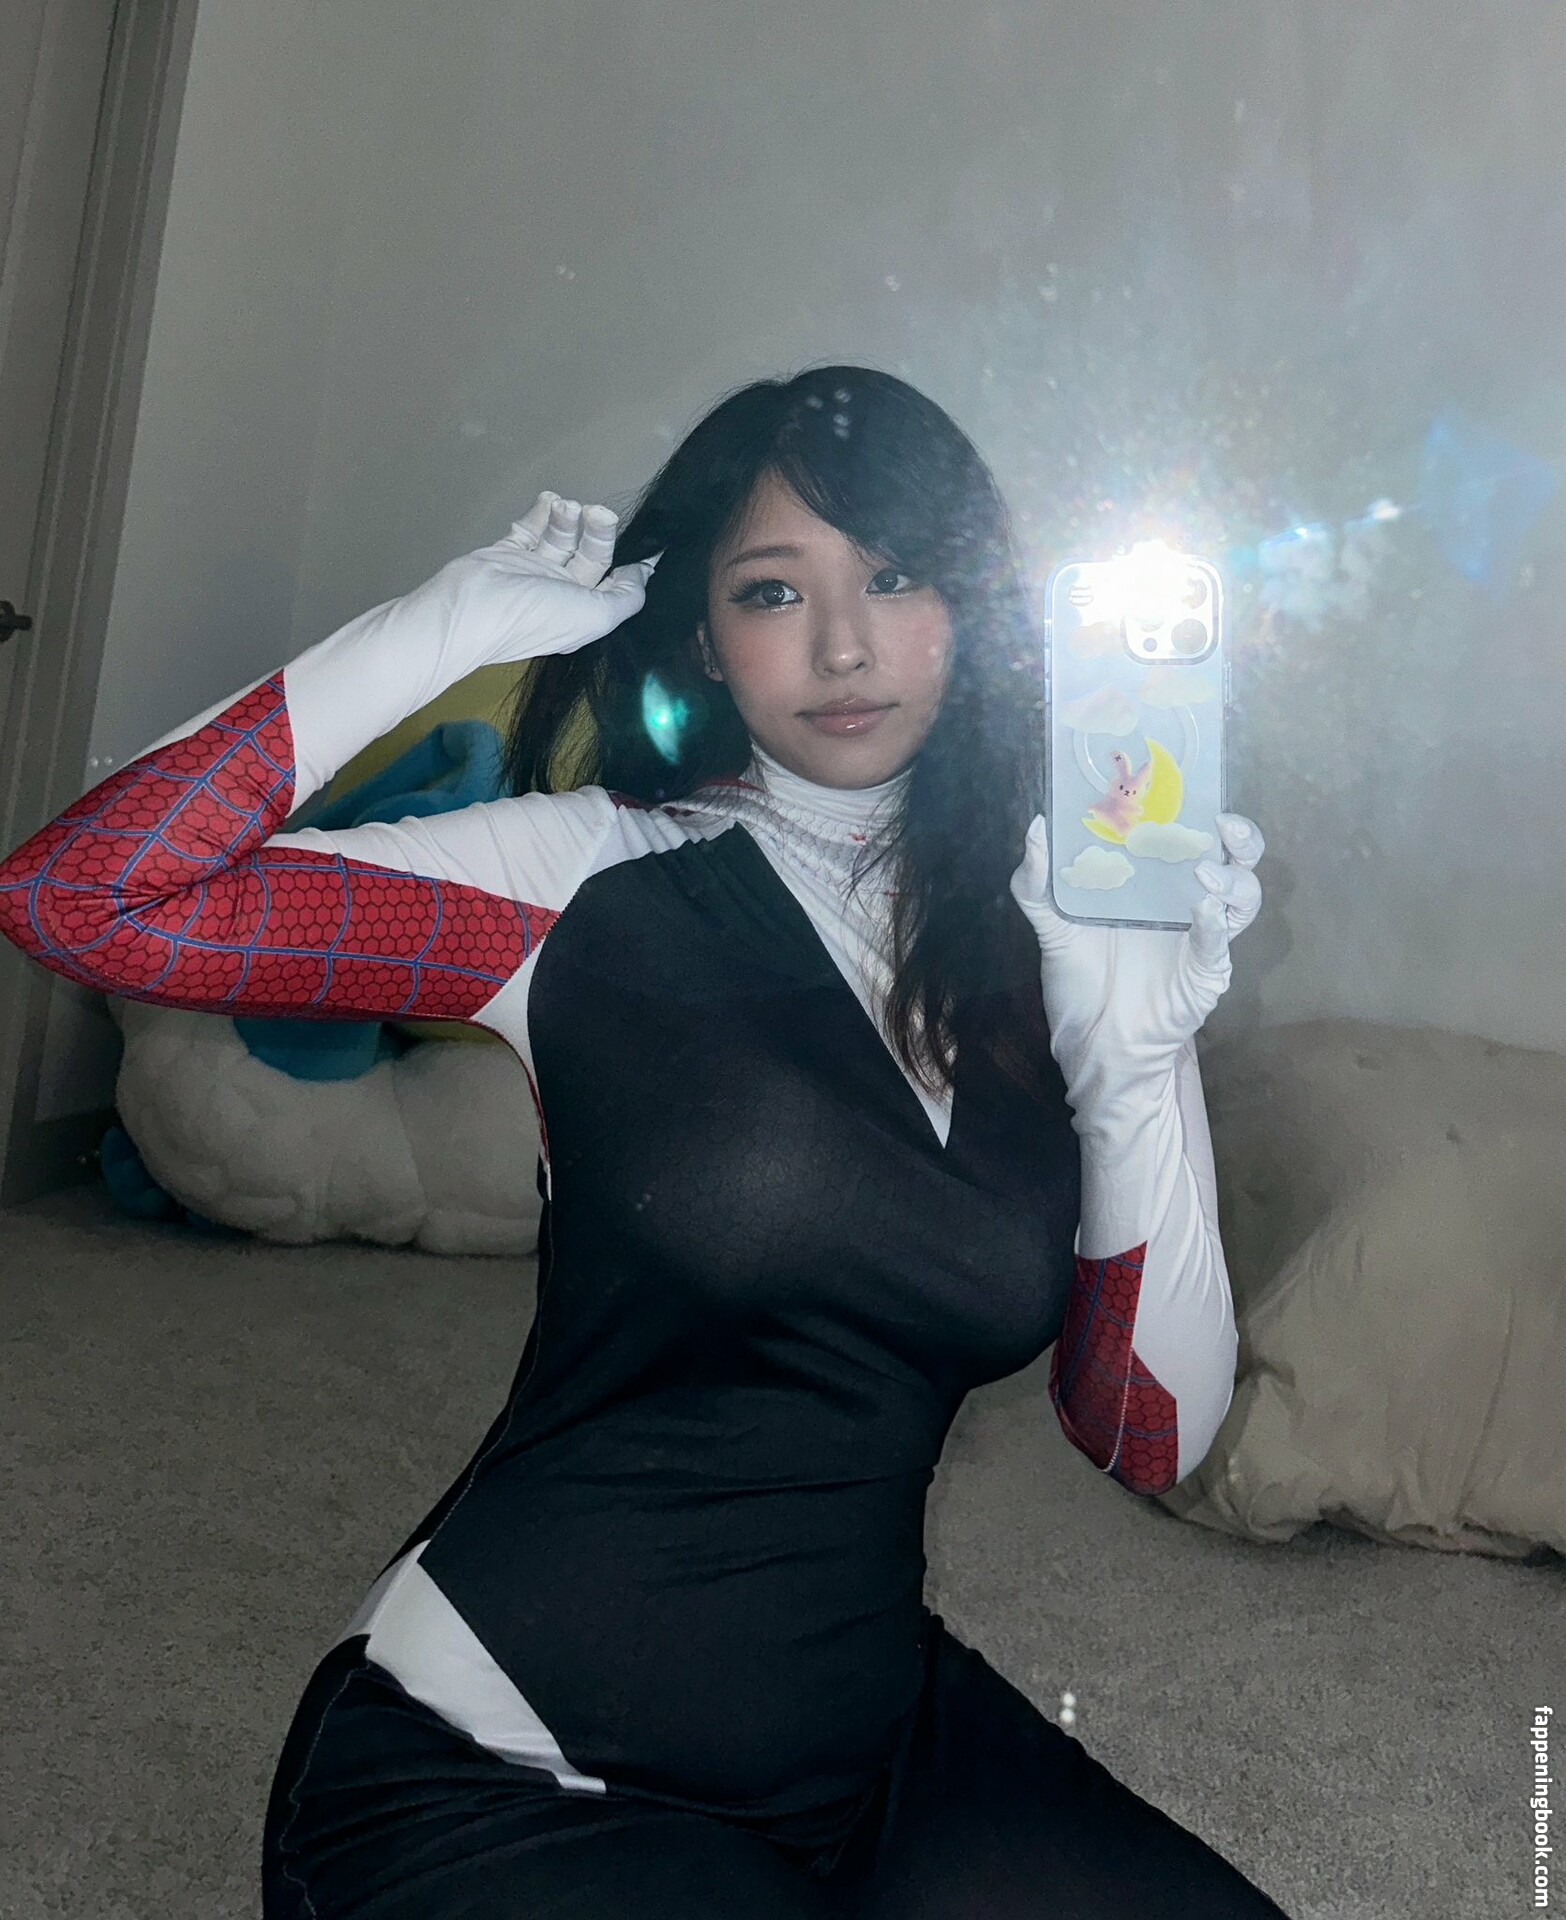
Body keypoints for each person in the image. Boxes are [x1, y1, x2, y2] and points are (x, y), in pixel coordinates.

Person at [0, 365, 1279, 1917]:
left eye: (894, 576)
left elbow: (1144, 1436)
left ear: (974, 610)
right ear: (705, 635)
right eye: (772, 590)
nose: (844, 646)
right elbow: (83, 900)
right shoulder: (588, 885)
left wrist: (1134, 1064)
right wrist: (445, 626)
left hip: (868, 1749)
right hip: (501, 1772)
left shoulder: (1059, 939)